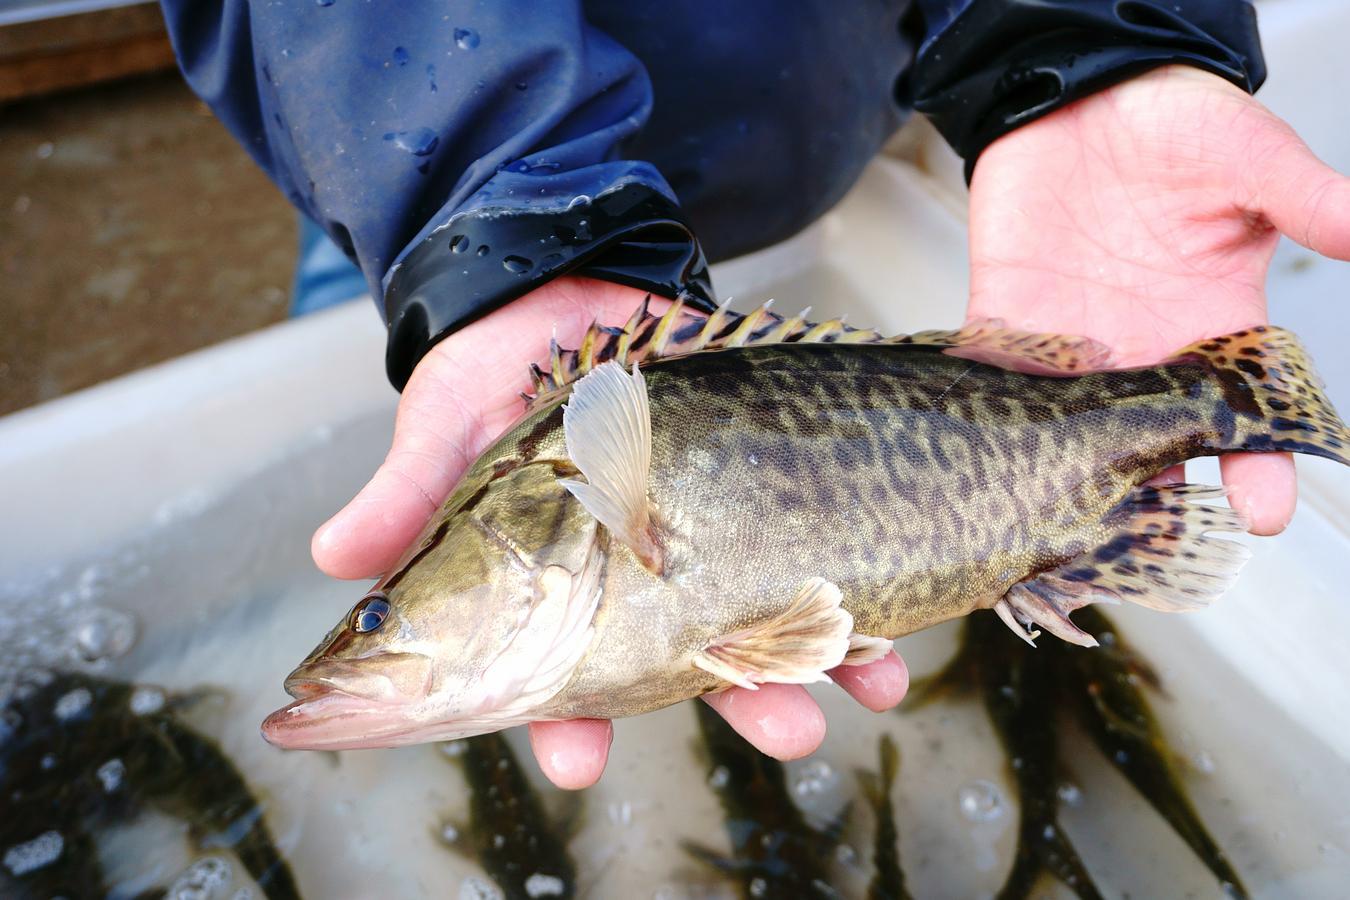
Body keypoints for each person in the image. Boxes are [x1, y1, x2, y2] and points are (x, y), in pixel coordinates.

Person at [160, 1, 1350, 789]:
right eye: (377, 622)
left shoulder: (584, 484)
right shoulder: (548, 484)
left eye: (380, 618)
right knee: (377, 329)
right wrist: (482, 221)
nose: (365, 641)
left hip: (825, 103)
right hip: (397, 169)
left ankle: (1224, 394)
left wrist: (1084, 34)